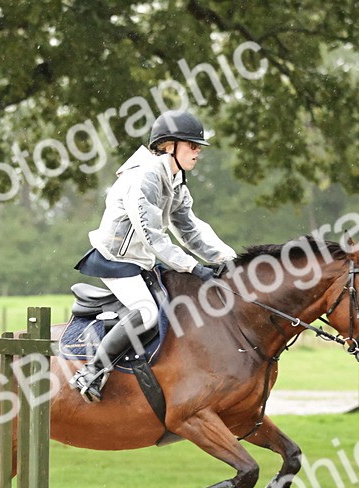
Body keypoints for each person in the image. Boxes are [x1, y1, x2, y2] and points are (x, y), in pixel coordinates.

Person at [69, 109, 237, 403]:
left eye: (198, 147)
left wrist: (227, 259)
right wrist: (194, 267)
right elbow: (153, 236)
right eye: (192, 145)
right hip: (115, 260)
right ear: (169, 145)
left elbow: (190, 230)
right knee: (147, 312)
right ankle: (92, 371)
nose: (198, 152)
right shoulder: (144, 177)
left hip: (141, 261)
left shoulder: (175, 179)